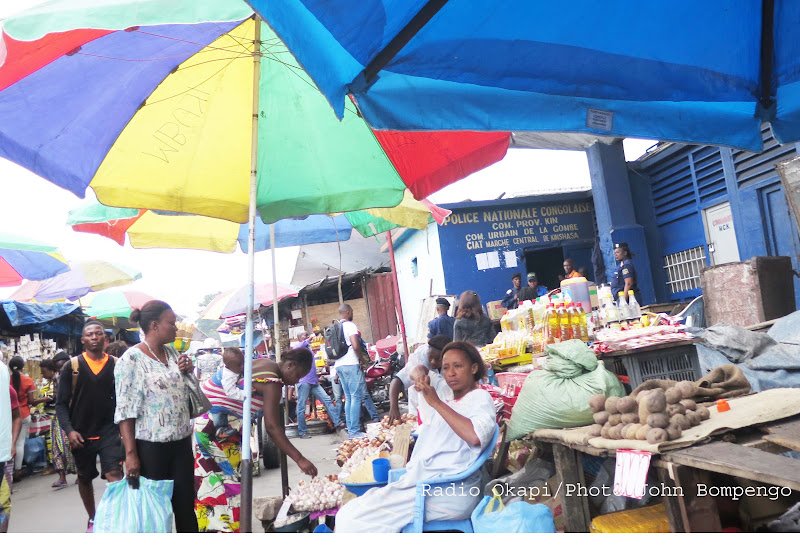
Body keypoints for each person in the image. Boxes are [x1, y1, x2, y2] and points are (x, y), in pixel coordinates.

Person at [335, 341, 496, 533]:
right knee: (349, 510)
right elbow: (416, 369)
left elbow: (475, 435)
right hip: (426, 483)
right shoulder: (448, 396)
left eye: (458, 366)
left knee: (351, 521)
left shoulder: (479, 398)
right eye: (446, 367)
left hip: (447, 491)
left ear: (474, 368)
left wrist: (436, 403)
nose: (451, 373)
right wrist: (420, 375)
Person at [195, 348, 318, 532]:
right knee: (225, 487)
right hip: (214, 430)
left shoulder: (266, 364)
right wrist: (299, 459)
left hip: (212, 427)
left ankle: (218, 529)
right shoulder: (272, 382)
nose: (297, 381)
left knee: (216, 483)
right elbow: (272, 427)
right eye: (299, 375)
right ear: (290, 365)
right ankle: (226, 532)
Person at [115, 300, 198, 533]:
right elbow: (125, 411)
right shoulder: (131, 360)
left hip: (181, 444)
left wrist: (187, 371)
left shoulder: (172, 353)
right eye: (171, 323)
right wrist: (131, 455)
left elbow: (186, 393)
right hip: (150, 449)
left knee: (185, 507)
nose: (176, 328)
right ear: (154, 325)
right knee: (153, 514)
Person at [55, 320, 123, 532]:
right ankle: (93, 518)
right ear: (83, 340)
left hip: (110, 430)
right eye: (89, 334)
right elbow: (61, 404)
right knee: (84, 478)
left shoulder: (116, 364)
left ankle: (115, 519)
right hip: (81, 433)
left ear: (106, 338)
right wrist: (69, 430)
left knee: (114, 475)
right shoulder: (71, 366)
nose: (94, 337)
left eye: (98, 333)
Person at [387, 335, 451, 422]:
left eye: (437, 359)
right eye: (431, 357)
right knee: (410, 429)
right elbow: (397, 380)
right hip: (418, 409)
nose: (433, 361)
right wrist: (394, 407)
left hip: (441, 412)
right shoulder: (420, 357)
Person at [331, 304, 371, 439]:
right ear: (347, 312)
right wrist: (361, 359)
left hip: (339, 365)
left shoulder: (336, 327)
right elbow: (355, 345)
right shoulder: (350, 326)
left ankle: (350, 428)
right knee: (355, 397)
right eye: (352, 311)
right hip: (351, 364)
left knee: (348, 397)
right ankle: (354, 431)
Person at [33, 359, 73, 489]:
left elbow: (59, 399)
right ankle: (63, 477)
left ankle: (71, 476)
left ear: (51, 370)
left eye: (44, 372)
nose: (43, 375)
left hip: (63, 417)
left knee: (65, 445)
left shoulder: (60, 379)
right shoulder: (54, 380)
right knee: (58, 446)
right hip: (58, 418)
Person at [294, 334, 341, 438]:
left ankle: (337, 422)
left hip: (313, 381)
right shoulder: (298, 348)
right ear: (300, 339)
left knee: (327, 400)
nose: (306, 337)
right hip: (305, 381)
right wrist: (308, 339)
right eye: (304, 336)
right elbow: (297, 347)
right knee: (301, 407)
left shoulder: (308, 348)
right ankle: (302, 432)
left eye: (306, 335)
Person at [47, 353, 76, 489]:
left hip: (74, 415)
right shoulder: (56, 378)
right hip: (60, 416)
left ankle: (80, 473)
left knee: (74, 445)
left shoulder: (76, 375)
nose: (61, 370)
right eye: (59, 367)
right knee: (58, 446)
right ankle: (62, 476)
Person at [1, 361, 22, 533]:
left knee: (3, 501)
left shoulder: (8, 391)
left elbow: (17, 417)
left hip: (4, 453)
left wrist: (12, 443)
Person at [8, 356, 35, 482]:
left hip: (10, 415)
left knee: (9, 442)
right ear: (22, 367)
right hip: (24, 414)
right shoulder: (28, 380)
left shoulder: (7, 380)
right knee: (19, 443)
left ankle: (8, 470)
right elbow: (31, 401)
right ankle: (17, 471)